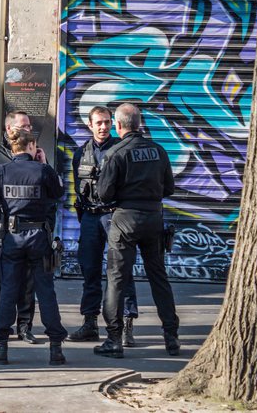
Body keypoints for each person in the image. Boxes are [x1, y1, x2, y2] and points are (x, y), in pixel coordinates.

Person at [93, 103, 180, 359]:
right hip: (153, 218)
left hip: (124, 219)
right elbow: (169, 189)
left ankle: (113, 339)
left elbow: (104, 194)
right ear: (139, 124)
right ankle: (171, 337)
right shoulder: (158, 150)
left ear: (118, 125)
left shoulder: (117, 153)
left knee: (117, 279)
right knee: (158, 278)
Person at [0, 127, 67, 366]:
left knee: (8, 290)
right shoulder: (43, 171)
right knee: (45, 291)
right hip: (39, 237)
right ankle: (56, 347)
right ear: (31, 147)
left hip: (13, 237)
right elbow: (59, 193)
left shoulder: (2, 171)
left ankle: (1, 348)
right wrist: (44, 163)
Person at [69, 105, 139, 345]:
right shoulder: (80, 154)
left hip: (115, 217)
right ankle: (90, 323)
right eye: (98, 122)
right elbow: (78, 187)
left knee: (121, 271)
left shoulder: (121, 151)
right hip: (90, 218)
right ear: (90, 125)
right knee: (89, 270)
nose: (103, 127)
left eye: (108, 122)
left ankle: (127, 325)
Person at [0, 110, 40, 343]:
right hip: (3, 232)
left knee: (28, 282)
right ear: (9, 129)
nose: (28, 130)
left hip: (31, 232)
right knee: (1, 282)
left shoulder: (36, 157)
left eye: (29, 126)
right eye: (23, 126)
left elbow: (49, 194)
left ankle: (25, 325)